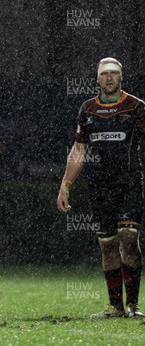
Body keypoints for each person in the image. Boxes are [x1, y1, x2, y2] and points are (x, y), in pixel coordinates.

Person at [57, 57, 144, 319]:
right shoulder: (87, 110)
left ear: (121, 78)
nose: (109, 78)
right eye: (104, 73)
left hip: (129, 184)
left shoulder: (136, 107)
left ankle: (133, 305)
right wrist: (65, 185)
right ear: (97, 78)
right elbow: (79, 149)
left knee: (128, 238)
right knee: (107, 244)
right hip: (99, 187)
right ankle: (115, 307)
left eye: (113, 74)